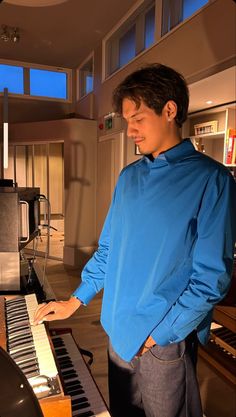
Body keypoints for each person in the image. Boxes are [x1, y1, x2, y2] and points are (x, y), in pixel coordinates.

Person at [34, 63, 236, 417]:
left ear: (169, 110)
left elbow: (211, 277)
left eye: (137, 119)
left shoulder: (212, 180)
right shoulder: (129, 177)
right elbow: (109, 250)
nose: (130, 131)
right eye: (127, 121)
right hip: (116, 327)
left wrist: (160, 335)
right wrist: (75, 301)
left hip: (161, 339)